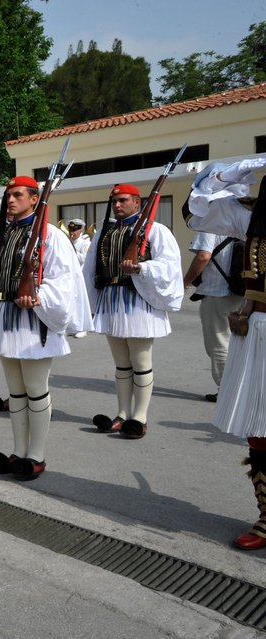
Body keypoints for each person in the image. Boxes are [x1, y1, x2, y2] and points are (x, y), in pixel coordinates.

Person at [0, 176, 91, 480]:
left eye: (17, 195)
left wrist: (39, 298)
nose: (10, 200)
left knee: (36, 389)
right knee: (15, 392)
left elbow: (63, 281)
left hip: (33, 321)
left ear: (33, 199)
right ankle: (18, 451)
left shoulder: (50, 235)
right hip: (3, 318)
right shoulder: (1, 235)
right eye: (8, 196)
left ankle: (36, 455)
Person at [183, 156, 266, 550]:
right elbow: (197, 213)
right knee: (260, 430)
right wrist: (227, 174)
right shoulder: (252, 218)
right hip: (259, 328)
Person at [82, 184, 183, 439]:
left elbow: (170, 266)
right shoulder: (103, 233)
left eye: (123, 200)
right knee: (121, 364)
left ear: (137, 203)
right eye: (115, 201)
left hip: (138, 301)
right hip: (111, 299)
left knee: (141, 362)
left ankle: (140, 416)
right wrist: (88, 305)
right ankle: (122, 413)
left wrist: (142, 268)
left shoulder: (155, 230)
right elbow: (90, 270)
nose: (117, 205)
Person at [183, 231, 245, 402]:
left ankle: (227, 391)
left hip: (218, 293)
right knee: (239, 343)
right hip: (242, 292)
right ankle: (240, 388)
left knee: (218, 343)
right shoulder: (242, 220)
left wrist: (185, 282)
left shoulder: (211, 224)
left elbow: (203, 257)